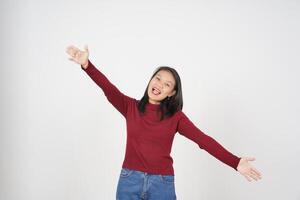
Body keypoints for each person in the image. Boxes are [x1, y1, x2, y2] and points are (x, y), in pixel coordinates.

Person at [65, 45, 262, 200]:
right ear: (151, 80)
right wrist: (87, 65)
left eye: (167, 84)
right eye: (157, 79)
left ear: (172, 93)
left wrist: (235, 162)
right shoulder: (130, 107)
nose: (159, 85)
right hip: (129, 180)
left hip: (162, 184)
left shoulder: (175, 117)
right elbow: (108, 88)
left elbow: (203, 140)